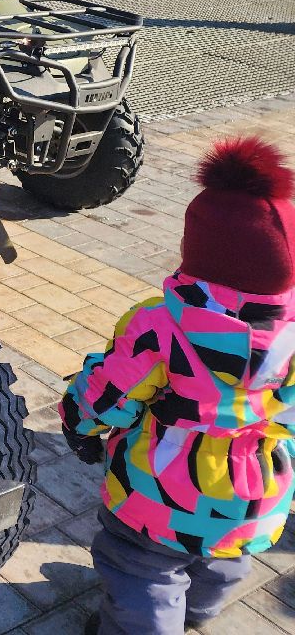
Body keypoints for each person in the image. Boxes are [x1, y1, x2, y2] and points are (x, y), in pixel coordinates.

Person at [60, 136, 295, 635]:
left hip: (163, 490)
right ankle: (197, 614)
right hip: (259, 489)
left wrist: (78, 422)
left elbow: (111, 393)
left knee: (140, 569)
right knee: (226, 557)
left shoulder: (162, 326)